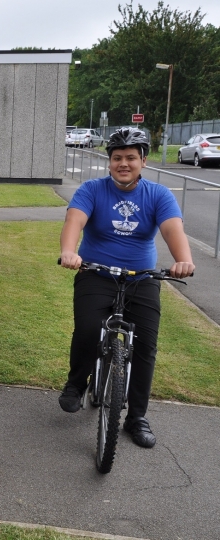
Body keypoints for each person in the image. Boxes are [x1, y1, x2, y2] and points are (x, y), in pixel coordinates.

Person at [58, 127, 195, 448]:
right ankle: (77, 383)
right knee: (89, 329)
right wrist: (69, 251)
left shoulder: (159, 195)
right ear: (109, 162)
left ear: (143, 161)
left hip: (142, 277)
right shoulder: (92, 190)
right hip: (97, 272)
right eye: (117, 158)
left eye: (131, 158)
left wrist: (183, 260)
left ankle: (136, 418)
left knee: (146, 345)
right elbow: (74, 222)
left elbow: (174, 231)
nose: (124, 163)